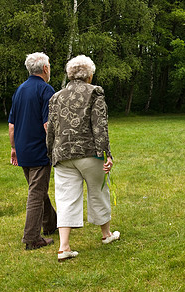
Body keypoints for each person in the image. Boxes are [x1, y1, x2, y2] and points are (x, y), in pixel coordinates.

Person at [47, 55, 120, 262]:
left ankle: (64, 247)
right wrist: (107, 154)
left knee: (65, 198)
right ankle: (106, 234)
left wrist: (50, 152)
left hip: (62, 154)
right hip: (89, 153)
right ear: (89, 75)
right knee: (98, 191)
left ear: (70, 75)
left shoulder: (56, 97)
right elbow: (100, 127)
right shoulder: (95, 92)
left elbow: (50, 129)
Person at [8, 52, 57, 250]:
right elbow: (48, 124)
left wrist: (13, 148)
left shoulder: (19, 90)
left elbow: (12, 125)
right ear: (45, 69)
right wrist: (55, 147)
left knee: (38, 189)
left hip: (22, 149)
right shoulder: (46, 90)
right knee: (36, 193)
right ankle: (32, 238)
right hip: (39, 150)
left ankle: (51, 224)